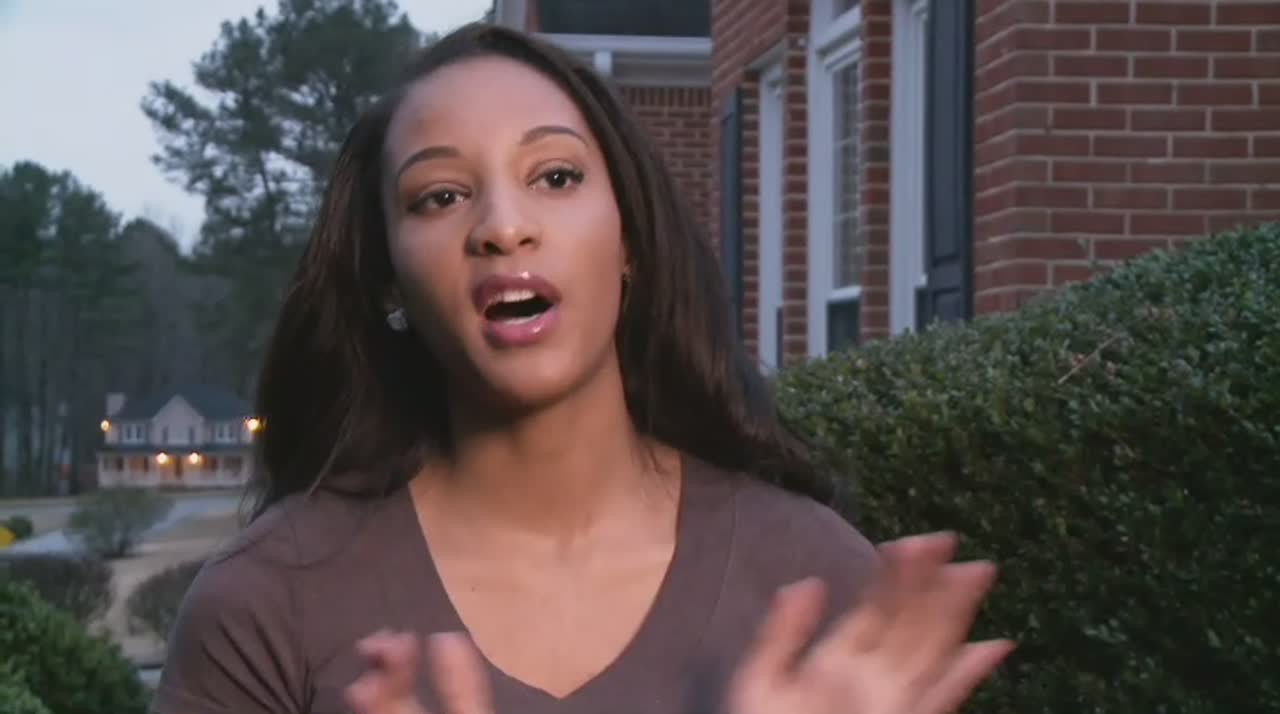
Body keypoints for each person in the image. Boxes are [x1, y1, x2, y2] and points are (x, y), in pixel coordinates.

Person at [152, 23, 1012, 714]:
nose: (503, 226)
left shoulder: (817, 577)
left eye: (556, 176)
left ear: (630, 239)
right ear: (388, 282)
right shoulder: (264, 606)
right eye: (441, 196)